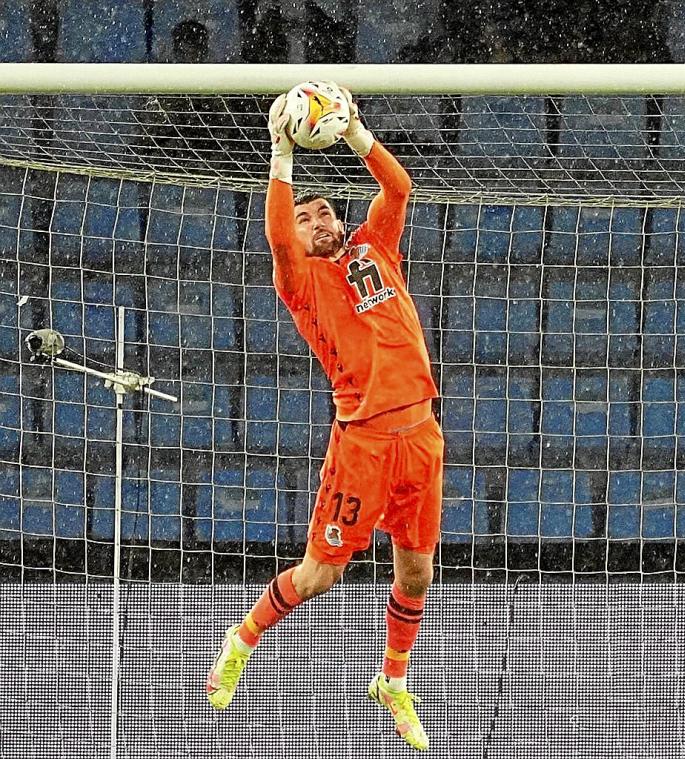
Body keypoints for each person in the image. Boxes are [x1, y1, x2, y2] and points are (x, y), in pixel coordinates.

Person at [206, 87, 444, 752]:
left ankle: (392, 680)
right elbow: (279, 235)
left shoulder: (376, 248)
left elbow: (398, 190)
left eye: (324, 212)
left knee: (417, 571)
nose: (317, 221)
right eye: (307, 217)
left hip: (422, 435)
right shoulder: (301, 283)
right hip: (363, 442)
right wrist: (281, 152)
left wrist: (357, 134)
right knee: (321, 575)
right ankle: (243, 636)